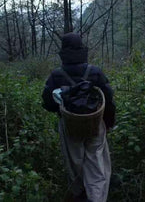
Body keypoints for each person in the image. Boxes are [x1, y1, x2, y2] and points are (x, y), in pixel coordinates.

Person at [42, 32, 116, 202]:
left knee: (74, 162)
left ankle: (80, 194)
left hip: (69, 126)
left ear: (63, 50)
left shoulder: (56, 75)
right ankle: (96, 197)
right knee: (97, 163)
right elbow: (109, 100)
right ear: (82, 48)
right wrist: (109, 122)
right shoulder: (95, 72)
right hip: (95, 124)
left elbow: (47, 102)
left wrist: (64, 110)